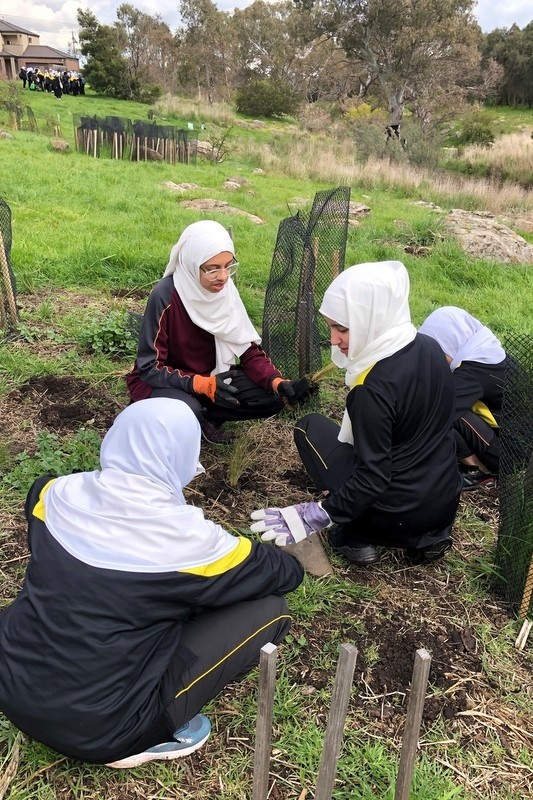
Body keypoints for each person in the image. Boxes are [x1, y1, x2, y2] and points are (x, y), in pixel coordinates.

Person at [0, 399, 304, 768]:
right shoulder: (191, 542)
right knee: (270, 611)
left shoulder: (51, 494)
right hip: (103, 731)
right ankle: (147, 739)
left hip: (10, 688)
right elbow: (285, 574)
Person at [251, 261, 461, 567]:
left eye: (342, 328)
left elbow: (372, 478)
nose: (333, 339)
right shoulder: (429, 347)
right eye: (331, 327)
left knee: (309, 427)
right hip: (443, 501)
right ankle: (426, 538)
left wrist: (320, 513)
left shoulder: (371, 390)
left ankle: (358, 538)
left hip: (393, 515)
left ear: (371, 318)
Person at [126, 220, 311, 444]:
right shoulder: (166, 296)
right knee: (187, 411)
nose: (223, 276)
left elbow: (248, 350)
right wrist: (200, 384)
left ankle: (209, 419)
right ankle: (180, 414)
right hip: (167, 381)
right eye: (212, 268)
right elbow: (149, 367)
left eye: (228, 266)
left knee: (272, 398)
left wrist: (278, 382)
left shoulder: (225, 292)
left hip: (212, 378)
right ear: (192, 264)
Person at [418, 306, 506, 490]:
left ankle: (479, 468)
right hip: (497, 433)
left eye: (437, 352)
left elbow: (437, 411)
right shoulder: (483, 351)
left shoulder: (473, 372)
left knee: (441, 409)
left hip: (507, 455)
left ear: (451, 342)